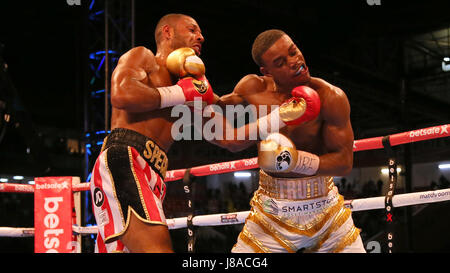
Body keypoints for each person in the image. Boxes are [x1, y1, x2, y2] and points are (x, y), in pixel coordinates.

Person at [213, 29, 365, 253]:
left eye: (294, 52)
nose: (295, 62)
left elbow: (344, 162)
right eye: (281, 62)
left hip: (326, 212)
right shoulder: (253, 89)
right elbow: (214, 116)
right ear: (267, 71)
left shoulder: (330, 96)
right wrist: (195, 86)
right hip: (271, 213)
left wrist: (296, 161)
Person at [89, 13, 215, 253]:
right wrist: (181, 94)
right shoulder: (144, 58)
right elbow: (122, 94)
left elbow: (229, 137)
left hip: (155, 175)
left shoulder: (191, 86)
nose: (200, 36)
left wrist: (278, 115)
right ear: (168, 32)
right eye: (191, 30)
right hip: (125, 159)